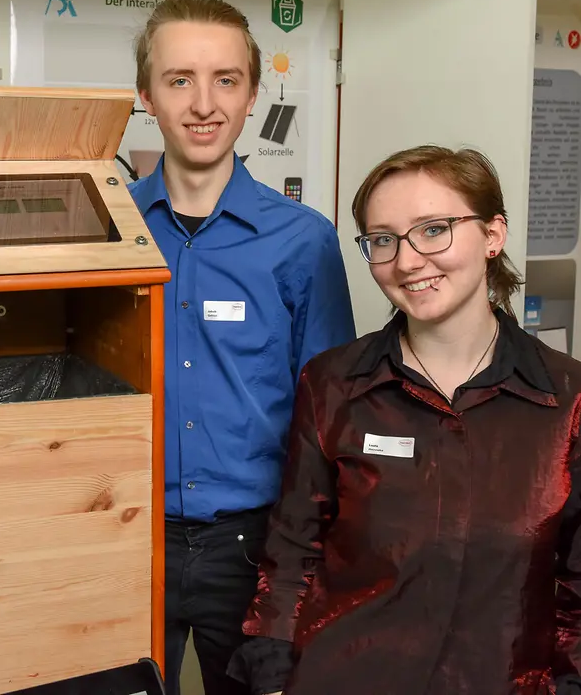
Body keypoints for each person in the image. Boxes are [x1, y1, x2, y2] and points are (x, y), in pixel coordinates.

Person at [230, 144, 581, 695]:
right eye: (383, 240)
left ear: (493, 235)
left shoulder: (567, 399)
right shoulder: (332, 384)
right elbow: (292, 552)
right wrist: (273, 678)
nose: (408, 260)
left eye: (434, 229)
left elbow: (577, 586)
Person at [127, 0, 356, 695]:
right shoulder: (106, 229)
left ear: (253, 94)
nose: (204, 103)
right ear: (145, 95)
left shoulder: (304, 240)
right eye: (179, 80)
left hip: (253, 544)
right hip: (126, 536)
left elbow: (331, 418)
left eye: (225, 79)